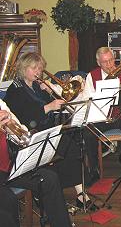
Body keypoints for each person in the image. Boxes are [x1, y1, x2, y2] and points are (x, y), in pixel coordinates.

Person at [3, 52, 95, 211]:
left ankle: (80, 193)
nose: (38, 72)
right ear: (23, 68)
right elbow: (22, 119)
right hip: (30, 136)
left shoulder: (36, 86)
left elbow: (59, 101)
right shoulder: (15, 90)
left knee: (71, 147)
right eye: (34, 68)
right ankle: (57, 193)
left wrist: (48, 90)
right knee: (66, 148)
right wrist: (48, 107)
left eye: (39, 68)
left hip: (47, 129)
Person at [0, 99, 72, 227]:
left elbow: (22, 132)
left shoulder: (0, 104)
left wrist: (11, 129)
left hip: (7, 167)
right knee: (7, 201)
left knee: (49, 178)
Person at [82, 47, 121, 181]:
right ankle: (94, 169)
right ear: (98, 62)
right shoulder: (91, 76)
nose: (110, 65)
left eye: (111, 60)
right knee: (88, 134)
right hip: (101, 116)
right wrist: (99, 95)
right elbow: (86, 99)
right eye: (105, 62)